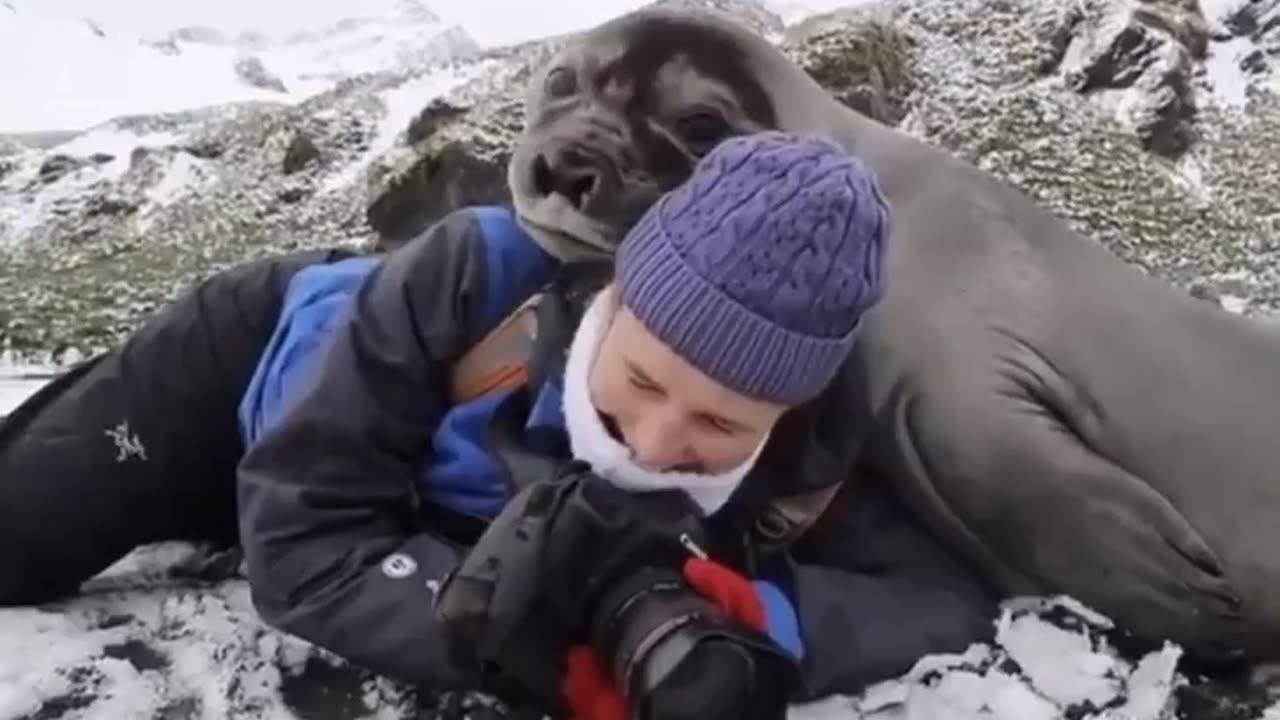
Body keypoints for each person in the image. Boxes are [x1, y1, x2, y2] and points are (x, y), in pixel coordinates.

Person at [234, 130, 1000, 716]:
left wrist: (765, 616)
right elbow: (301, 543)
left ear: (788, 410)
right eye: (640, 379)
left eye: (720, 422)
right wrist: (518, 631)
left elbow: (946, 599)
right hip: (243, 357)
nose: (655, 444)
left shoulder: (813, 455)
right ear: (613, 298)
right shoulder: (470, 279)